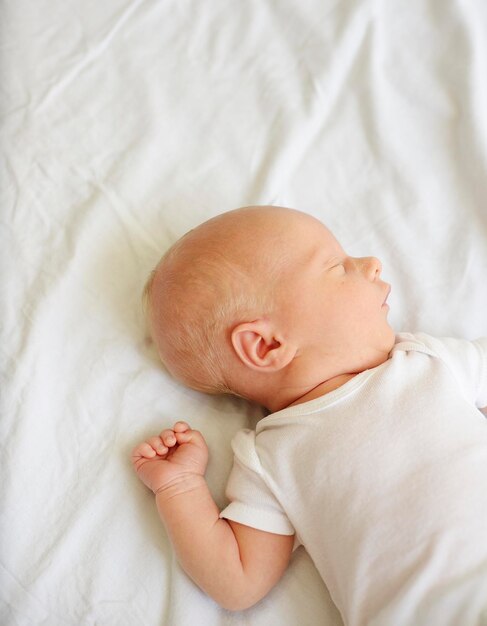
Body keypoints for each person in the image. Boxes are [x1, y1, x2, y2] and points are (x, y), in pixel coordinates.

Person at [131, 206, 487, 624]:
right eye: (337, 267)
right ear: (266, 346)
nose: (370, 264)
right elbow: (237, 582)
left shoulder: (428, 360)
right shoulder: (271, 457)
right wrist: (179, 488)